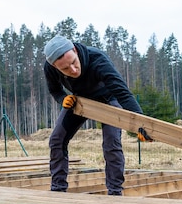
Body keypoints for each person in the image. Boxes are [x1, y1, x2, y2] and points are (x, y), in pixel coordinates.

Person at [43, 35, 151, 195]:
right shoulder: (49, 67)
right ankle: (58, 190)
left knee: (111, 143)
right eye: (65, 69)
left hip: (107, 99)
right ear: (54, 66)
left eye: (73, 63)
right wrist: (63, 98)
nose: (73, 70)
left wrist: (140, 124)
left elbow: (122, 92)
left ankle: (115, 193)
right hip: (79, 101)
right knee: (57, 140)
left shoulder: (97, 59)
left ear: (74, 50)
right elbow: (55, 90)